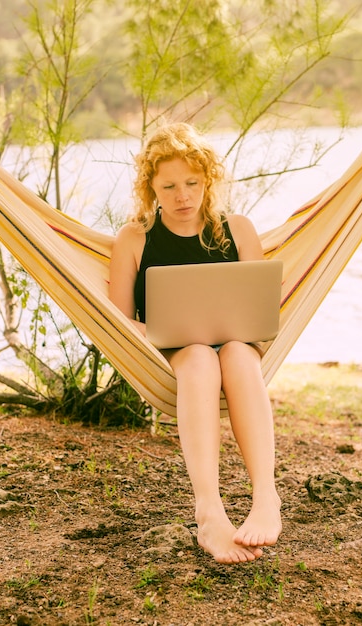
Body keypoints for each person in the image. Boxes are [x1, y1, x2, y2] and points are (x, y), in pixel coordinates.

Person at [109, 122, 282, 564]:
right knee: (202, 359)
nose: (182, 196)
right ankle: (210, 511)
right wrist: (157, 331)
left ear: (208, 181)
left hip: (237, 341)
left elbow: (260, 305)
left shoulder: (237, 229)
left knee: (241, 357)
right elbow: (117, 319)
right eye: (168, 186)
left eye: (192, 183)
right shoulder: (134, 239)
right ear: (150, 187)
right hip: (175, 351)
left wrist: (238, 332)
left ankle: (266, 496)